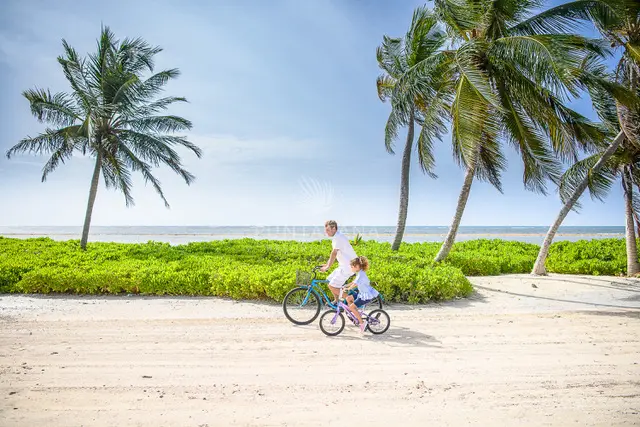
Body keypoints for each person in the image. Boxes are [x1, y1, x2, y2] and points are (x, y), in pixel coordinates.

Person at [319, 220, 357, 304]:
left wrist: (327, 267)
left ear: (334, 228)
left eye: (328, 230)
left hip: (348, 267)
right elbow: (335, 254)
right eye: (326, 230)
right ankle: (337, 301)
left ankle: (350, 301)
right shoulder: (338, 237)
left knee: (332, 286)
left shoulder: (338, 237)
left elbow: (334, 253)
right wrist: (327, 264)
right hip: (344, 266)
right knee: (329, 280)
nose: (326, 232)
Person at [343, 256, 379, 333]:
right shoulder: (360, 273)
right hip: (362, 294)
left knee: (352, 307)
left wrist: (348, 289)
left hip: (365, 296)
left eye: (352, 266)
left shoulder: (361, 274)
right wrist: (344, 286)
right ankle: (356, 313)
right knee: (348, 298)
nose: (351, 268)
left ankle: (362, 323)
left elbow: (355, 284)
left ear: (357, 267)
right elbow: (353, 282)